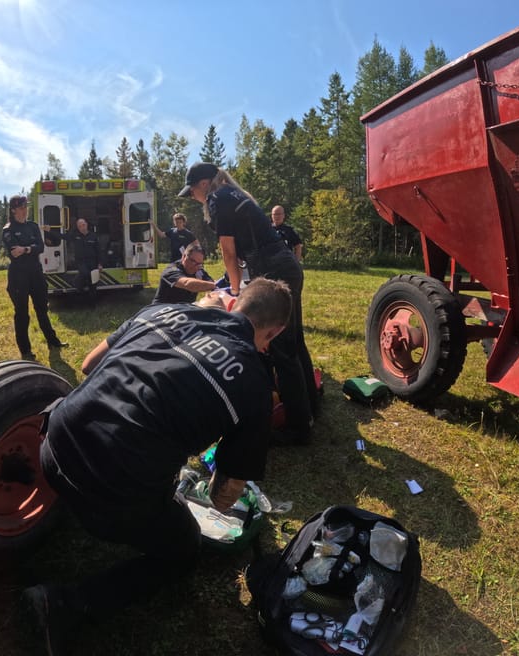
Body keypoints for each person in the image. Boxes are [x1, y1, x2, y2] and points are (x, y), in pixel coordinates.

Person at [22, 277, 292, 655]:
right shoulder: (255, 383)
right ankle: (65, 604)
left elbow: (87, 365)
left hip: (51, 446)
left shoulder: (163, 310)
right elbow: (224, 495)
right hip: (109, 490)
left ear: (234, 304)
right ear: (274, 332)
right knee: (182, 549)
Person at [179, 162, 318, 444]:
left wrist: (234, 289)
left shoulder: (218, 199)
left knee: (280, 349)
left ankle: (299, 428)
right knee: (294, 342)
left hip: (274, 269)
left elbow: (228, 253)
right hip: (286, 265)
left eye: (192, 192)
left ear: (204, 185)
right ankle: (311, 407)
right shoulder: (234, 194)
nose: (193, 198)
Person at [2, 195, 67, 359]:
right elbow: (14, 252)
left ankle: (53, 341)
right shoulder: (8, 229)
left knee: (42, 309)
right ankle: (25, 351)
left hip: (36, 273)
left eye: (26, 207)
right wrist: (29, 249)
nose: (25, 210)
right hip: (18, 276)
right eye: (22, 207)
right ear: (14, 209)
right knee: (22, 313)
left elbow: (41, 247)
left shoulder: (33, 226)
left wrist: (25, 249)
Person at [62, 218, 102, 293]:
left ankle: (92, 301)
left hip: (93, 261)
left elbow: (98, 251)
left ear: (86, 224)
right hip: (81, 262)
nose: (82, 227)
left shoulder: (93, 236)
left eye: (83, 225)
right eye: (79, 226)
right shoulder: (75, 236)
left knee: (93, 283)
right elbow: (63, 236)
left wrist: (100, 264)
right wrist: (50, 231)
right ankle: (76, 283)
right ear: (77, 227)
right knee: (85, 273)